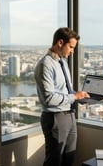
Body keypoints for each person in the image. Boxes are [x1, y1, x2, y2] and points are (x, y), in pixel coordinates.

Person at [34, 27, 90, 166]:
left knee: (69, 160)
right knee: (54, 161)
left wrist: (80, 96)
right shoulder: (45, 65)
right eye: (71, 47)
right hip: (55, 118)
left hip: (69, 115)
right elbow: (49, 99)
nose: (72, 51)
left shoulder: (63, 62)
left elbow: (64, 90)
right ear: (60, 43)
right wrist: (74, 97)